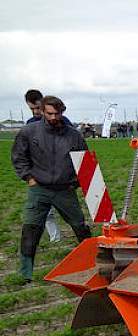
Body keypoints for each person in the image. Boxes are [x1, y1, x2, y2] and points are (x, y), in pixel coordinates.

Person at [10, 96, 92, 281]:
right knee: (31, 229)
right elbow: (18, 156)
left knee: (80, 226)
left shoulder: (74, 135)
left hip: (65, 190)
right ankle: (25, 273)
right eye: (50, 113)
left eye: (57, 113)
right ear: (42, 112)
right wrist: (28, 178)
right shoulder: (29, 132)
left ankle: (94, 260)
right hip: (39, 188)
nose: (54, 117)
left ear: (62, 112)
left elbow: (85, 163)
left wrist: (76, 183)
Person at [25, 89, 64, 243]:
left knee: (68, 208)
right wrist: (29, 176)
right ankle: (55, 238)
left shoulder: (62, 122)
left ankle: (82, 234)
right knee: (44, 210)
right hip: (39, 174)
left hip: (60, 174)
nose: (35, 111)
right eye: (31, 109)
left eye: (37, 108)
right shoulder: (30, 125)